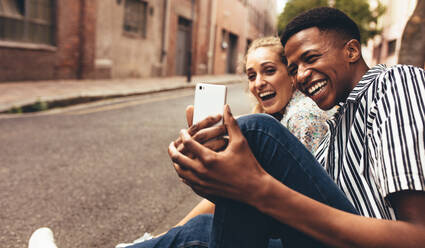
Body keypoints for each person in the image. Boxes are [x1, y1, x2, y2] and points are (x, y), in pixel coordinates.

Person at [28, 36, 334, 248]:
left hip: (309, 230)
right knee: (193, 229)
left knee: (197, 232)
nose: (257, 83)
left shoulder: (300, 117)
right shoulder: (285, 116)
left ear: (291, 75)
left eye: (269, 70)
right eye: (251, 75)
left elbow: (298, 203)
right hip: (292, 222)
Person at [166, 6, 425, 248]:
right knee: (198, 229)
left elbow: (418, 236)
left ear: (352, 51)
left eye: (310, 58)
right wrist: (218, 181)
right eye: (294, 68)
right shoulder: (335, 129)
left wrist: (259, 189)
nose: (300, 75)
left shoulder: (395, 82)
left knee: (258, 132)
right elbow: (295, 210)